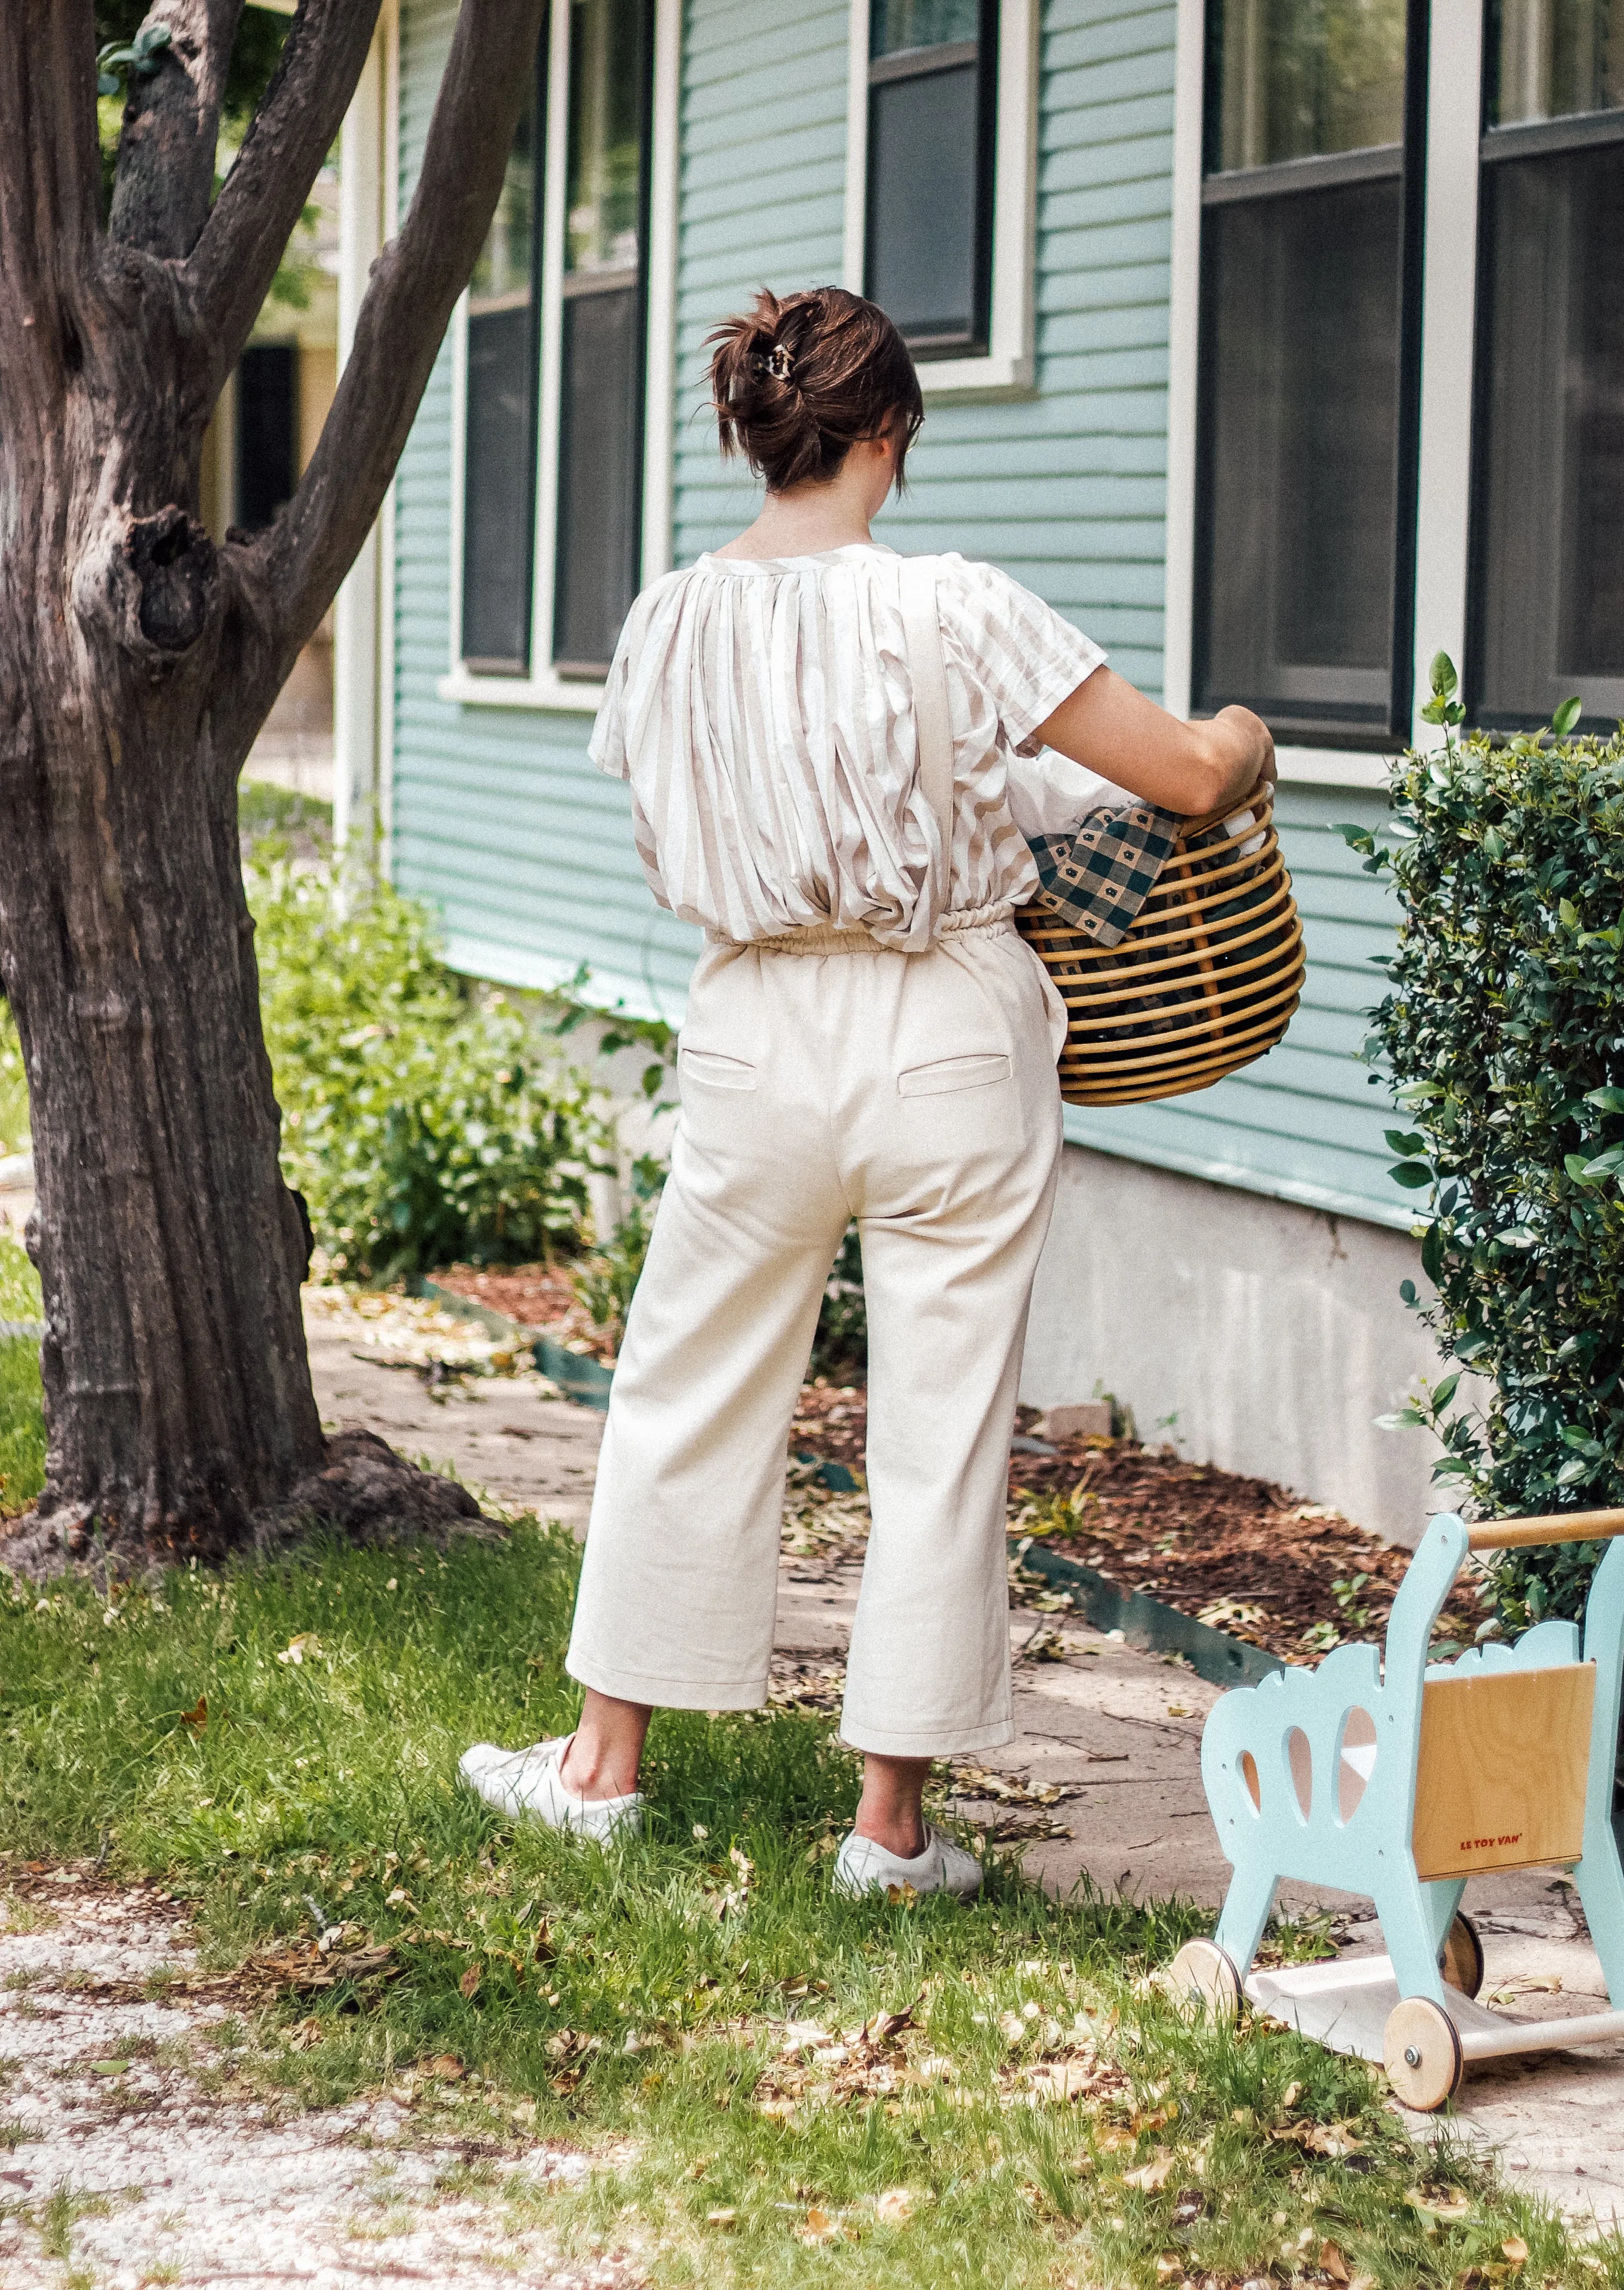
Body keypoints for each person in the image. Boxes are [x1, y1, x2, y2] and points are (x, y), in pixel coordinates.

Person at [459, 286, 1273, 1895]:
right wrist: (1242, 736)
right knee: (942, 1424)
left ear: (757, 437)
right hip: (952, 1029)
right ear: (886, 431)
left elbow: (683, 805)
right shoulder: (954, 605)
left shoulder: (666, 622)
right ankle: (888, 1832)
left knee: (684, 1389)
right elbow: (1179, 777)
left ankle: (602, 1765)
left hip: (758, 1031)